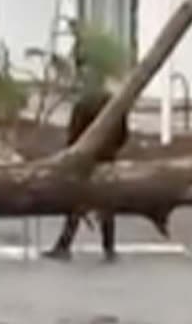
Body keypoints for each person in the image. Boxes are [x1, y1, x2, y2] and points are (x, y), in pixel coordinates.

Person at [44, 86, 129, 262]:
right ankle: (109, 246)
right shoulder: (114, 103)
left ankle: (64, 244)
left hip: (84, 157)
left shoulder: (82, 104)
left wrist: (71, 152)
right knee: (107, 202)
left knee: (76, 200)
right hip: (107, 156)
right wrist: (112, 148)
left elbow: (73, 133)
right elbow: (123, 134)